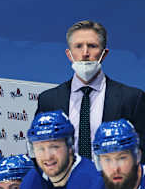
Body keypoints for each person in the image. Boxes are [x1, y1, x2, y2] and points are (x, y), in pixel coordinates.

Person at [36, 20, 145, 161]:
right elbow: (39, 147)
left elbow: (142, 151)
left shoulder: (132, 99)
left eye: (92, 46)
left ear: (104, 54)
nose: (85, 53)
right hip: (66, 182)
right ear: (69, 54)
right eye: (78, 46)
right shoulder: (49, 100)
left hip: (113, 180)